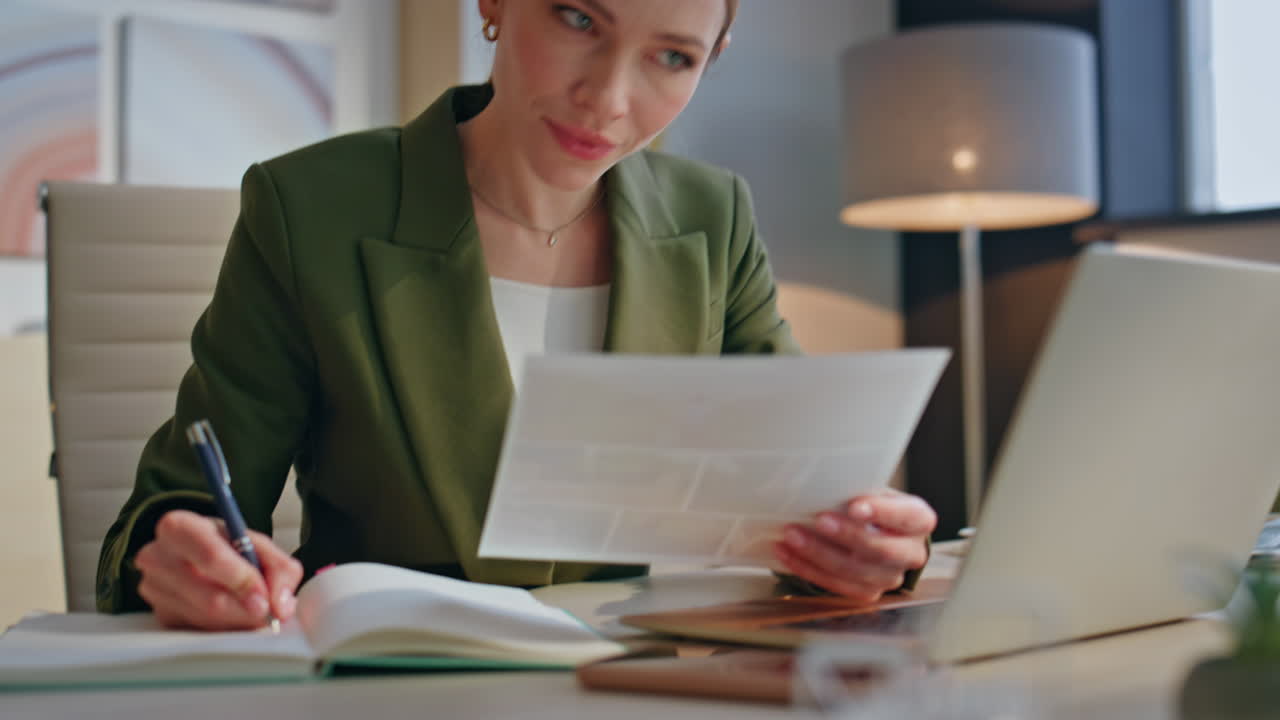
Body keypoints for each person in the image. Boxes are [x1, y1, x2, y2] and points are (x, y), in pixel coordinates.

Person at [98, 0, 938, 631]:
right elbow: (180, 505)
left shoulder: (714, 217)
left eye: (673, 57)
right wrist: (177, 560)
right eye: (578, 18)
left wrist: (868, 549)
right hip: (393, 688)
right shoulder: (308, 206)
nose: (608, 99)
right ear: (495, 2)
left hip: (651, 682)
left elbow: (805, 484)